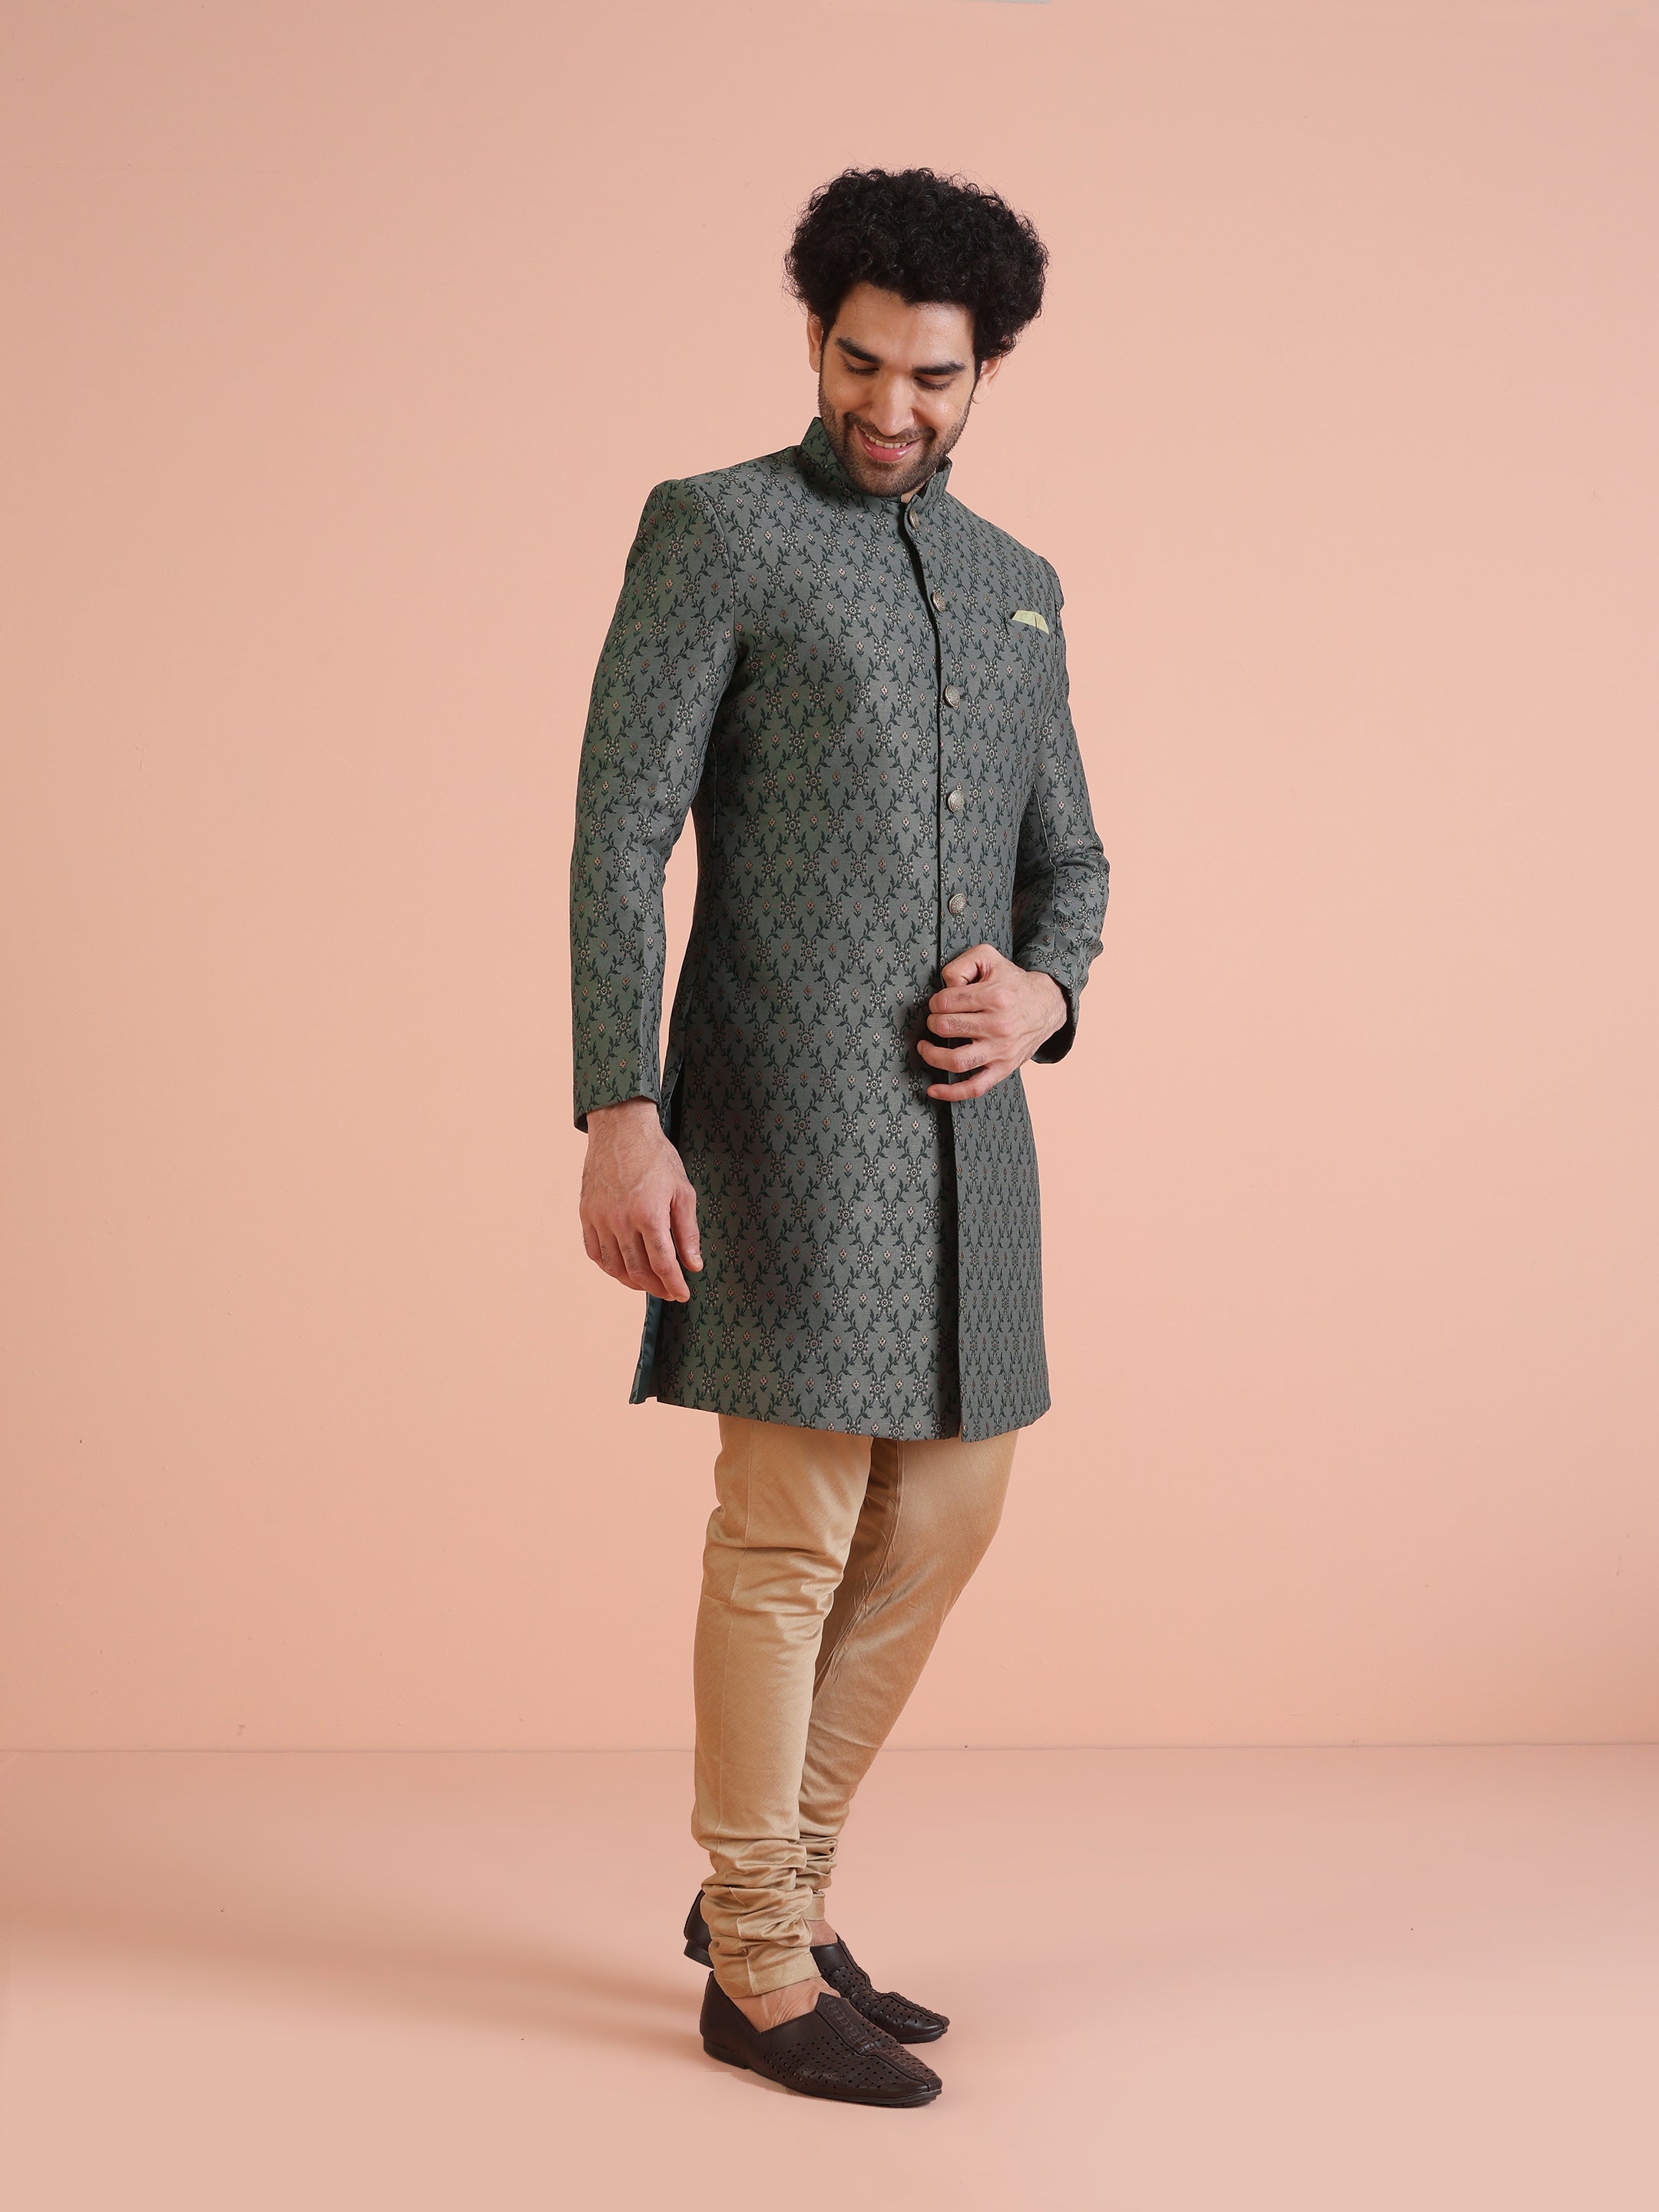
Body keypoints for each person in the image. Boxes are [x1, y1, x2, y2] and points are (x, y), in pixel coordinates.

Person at [569, 167, 1109, 2107]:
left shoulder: (1019, 581)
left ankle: (768, 1892)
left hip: (971, 1155)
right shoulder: (715, 530)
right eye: (862, 362)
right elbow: (619, 831)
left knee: (950, 1512)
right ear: (816, 338)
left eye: (932, 377)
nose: (892, 407)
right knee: (787, 1532)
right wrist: (620, 1111)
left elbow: (1074, 862)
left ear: (986, 373)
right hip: (782, 1128)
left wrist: (1047, 995)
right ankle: (763, 1957)